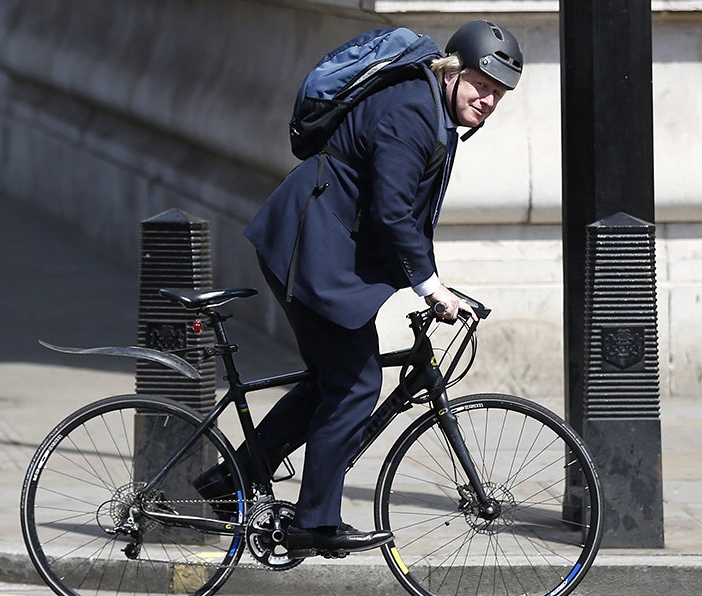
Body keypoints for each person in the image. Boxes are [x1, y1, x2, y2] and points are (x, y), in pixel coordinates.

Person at [200, 20, 523, 557]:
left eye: (499, 94)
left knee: (336, 378)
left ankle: (229, 479)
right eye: (481, 85)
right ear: (454, 72)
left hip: (325, 249)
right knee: (354, 386)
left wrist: (438, 284)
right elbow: (392, 212)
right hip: (307, 248)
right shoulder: (412, 112)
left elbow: (413, 218)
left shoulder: (432, 110)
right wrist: (427, 287)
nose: (489, 100)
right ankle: (315, 522)